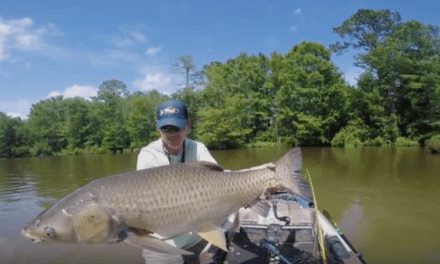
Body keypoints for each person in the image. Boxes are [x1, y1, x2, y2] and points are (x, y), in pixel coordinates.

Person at [136, 99, 233, 264]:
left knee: (234, 214)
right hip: (163, 240)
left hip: (198, 232)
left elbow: (220, 179)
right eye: (165, 127)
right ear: (157, 125)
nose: (171, 133)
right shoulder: (147, 155)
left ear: (188, 124)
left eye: (177, 127)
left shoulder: (198, 148)